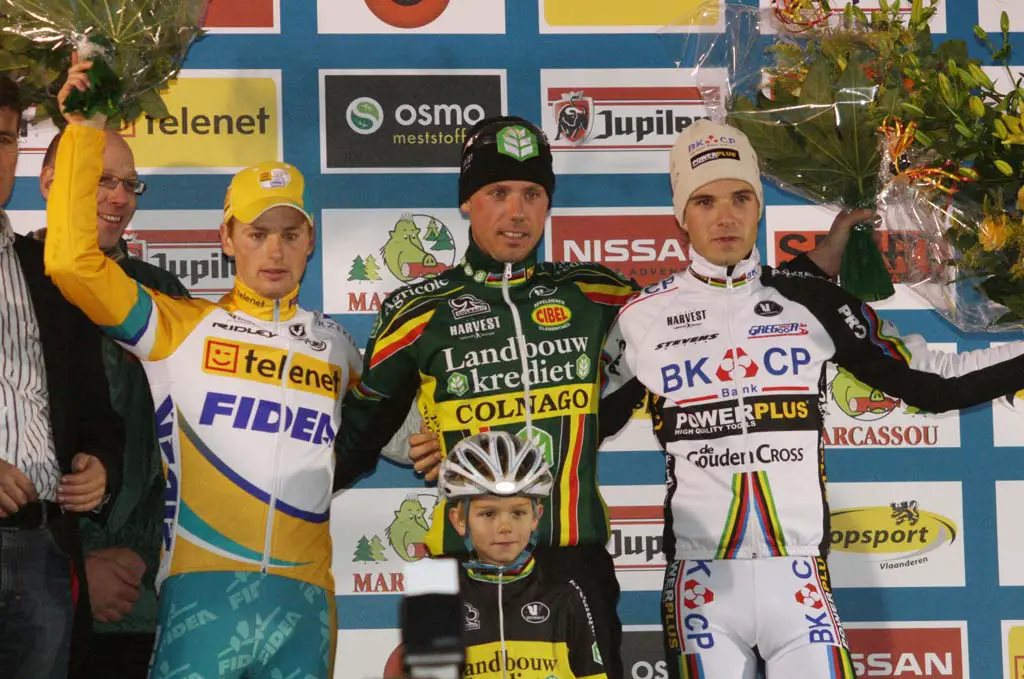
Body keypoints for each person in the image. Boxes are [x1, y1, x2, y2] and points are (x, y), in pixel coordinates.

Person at [333, 114, 850, 679]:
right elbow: (361, 431)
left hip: (572, 559)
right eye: (498, 192)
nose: (517, 211)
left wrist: (811, 272)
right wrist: (414, 441)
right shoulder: (415, 309)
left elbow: (714, 310)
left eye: (533, 194)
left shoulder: (596, 293)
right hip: (447, 563)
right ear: (467, 203)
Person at [612, 119, 1024, 679]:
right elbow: (576, 419)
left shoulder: (811, 302)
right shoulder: (640, 318)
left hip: (800, 578)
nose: (725, 216)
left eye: (741, 197)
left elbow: (935, 383)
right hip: (700, 585)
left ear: (759, 206)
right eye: (704, 201)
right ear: (681, 216)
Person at [44, 57, 362, 679]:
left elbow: (394, 420)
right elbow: (73, 265)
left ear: (311, 242)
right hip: (202, 595)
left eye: (290, 233)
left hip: (307, 602)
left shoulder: (335, 344)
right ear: (225, 237)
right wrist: (85, 129)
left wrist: (430, 432)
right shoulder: (180, 328)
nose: (274, 249)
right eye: (256, 232)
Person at [36, 128, 191, 677]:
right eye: (101, 180)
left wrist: (140, 562)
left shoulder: (164, 295)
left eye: (129, 184)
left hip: (143, 597)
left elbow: (184, 450)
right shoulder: (19, 281)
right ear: (52, 181)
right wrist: (78, 563)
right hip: (38, 589)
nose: (119, 198)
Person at [0, 74, 123, 679]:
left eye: (2, 138)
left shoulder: (51, 272)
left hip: (43, 551)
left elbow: (99, 417)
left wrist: (99, 465)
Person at [438, 430, 607, 679]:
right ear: (459, 520)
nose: (505, 527)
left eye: (518, 513)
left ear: (536, 516)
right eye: (488, 514)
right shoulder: (443, 603)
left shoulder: (563, 594)